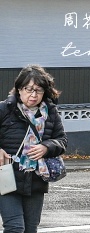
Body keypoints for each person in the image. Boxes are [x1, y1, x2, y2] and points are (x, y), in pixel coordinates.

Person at [0, 65, 67, 233]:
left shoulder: (50, 112)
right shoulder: (4, 109)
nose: (33, 95)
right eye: (28, 89)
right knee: (15, 228)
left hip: (36, 179)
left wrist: (46, 147)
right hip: (7, 177)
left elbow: (62, 140)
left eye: (38, 90)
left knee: (30, 229)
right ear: (18, 89)